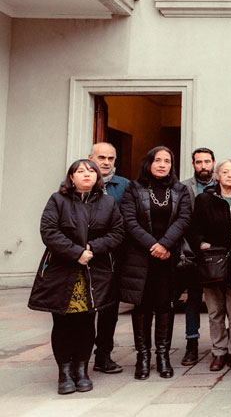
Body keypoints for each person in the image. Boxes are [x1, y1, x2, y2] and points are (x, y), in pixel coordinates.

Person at [30, 159, 124, 394]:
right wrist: (76, 253)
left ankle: (82, 370)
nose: (86, 175)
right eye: (80, 171)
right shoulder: (57, 200)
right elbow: (49, 231)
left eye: (91, 171)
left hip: (94, 273)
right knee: (62, 323)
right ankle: (64, 373)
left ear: (97, 178)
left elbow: (117, 232)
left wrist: (91, 248)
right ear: (71, 177)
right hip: (62, 272)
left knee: (85, 323)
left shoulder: (108, 202)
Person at [119, 146, 192, 380]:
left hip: (168, 259)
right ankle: (143, 357)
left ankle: (163, 356)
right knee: (141, 307)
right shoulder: (133, 188)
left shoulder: (180, 190)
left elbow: (184, 219)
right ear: (148, 162)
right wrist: (153, 245)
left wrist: (165, 245)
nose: (162, 164)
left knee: (165, 306)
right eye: (158, 160)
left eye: (167, 161)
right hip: (140, 258)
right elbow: (129, 221)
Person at [188, 160, 231, 372]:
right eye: (225, 171)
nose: (230, 175)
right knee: (215, 311)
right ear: (217, 175)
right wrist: (202, 244)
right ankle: (219, 352)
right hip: (212, 261)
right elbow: (193, 229)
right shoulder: (205, 199)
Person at [87, 142, 129, 374]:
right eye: (101, 157)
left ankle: (103, 355)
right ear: (90, 157)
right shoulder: (73, 183)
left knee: (109, 310)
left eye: (111, 158)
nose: (106, 162)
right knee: (84, 311)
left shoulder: (123, 185)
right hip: (84, 256)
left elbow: (126, 221)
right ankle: (80, 356)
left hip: (113, 257)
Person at [179, 147, 216, 367]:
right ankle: (191, 344)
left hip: (216, 252)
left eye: (207, 161)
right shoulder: (184, 187)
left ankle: (226, 343)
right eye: (199, 162)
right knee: (193, 299)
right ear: (193, 164)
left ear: (213, 163)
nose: (203, 166)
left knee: (223, 300)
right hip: (192, 252)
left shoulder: (223, 184)